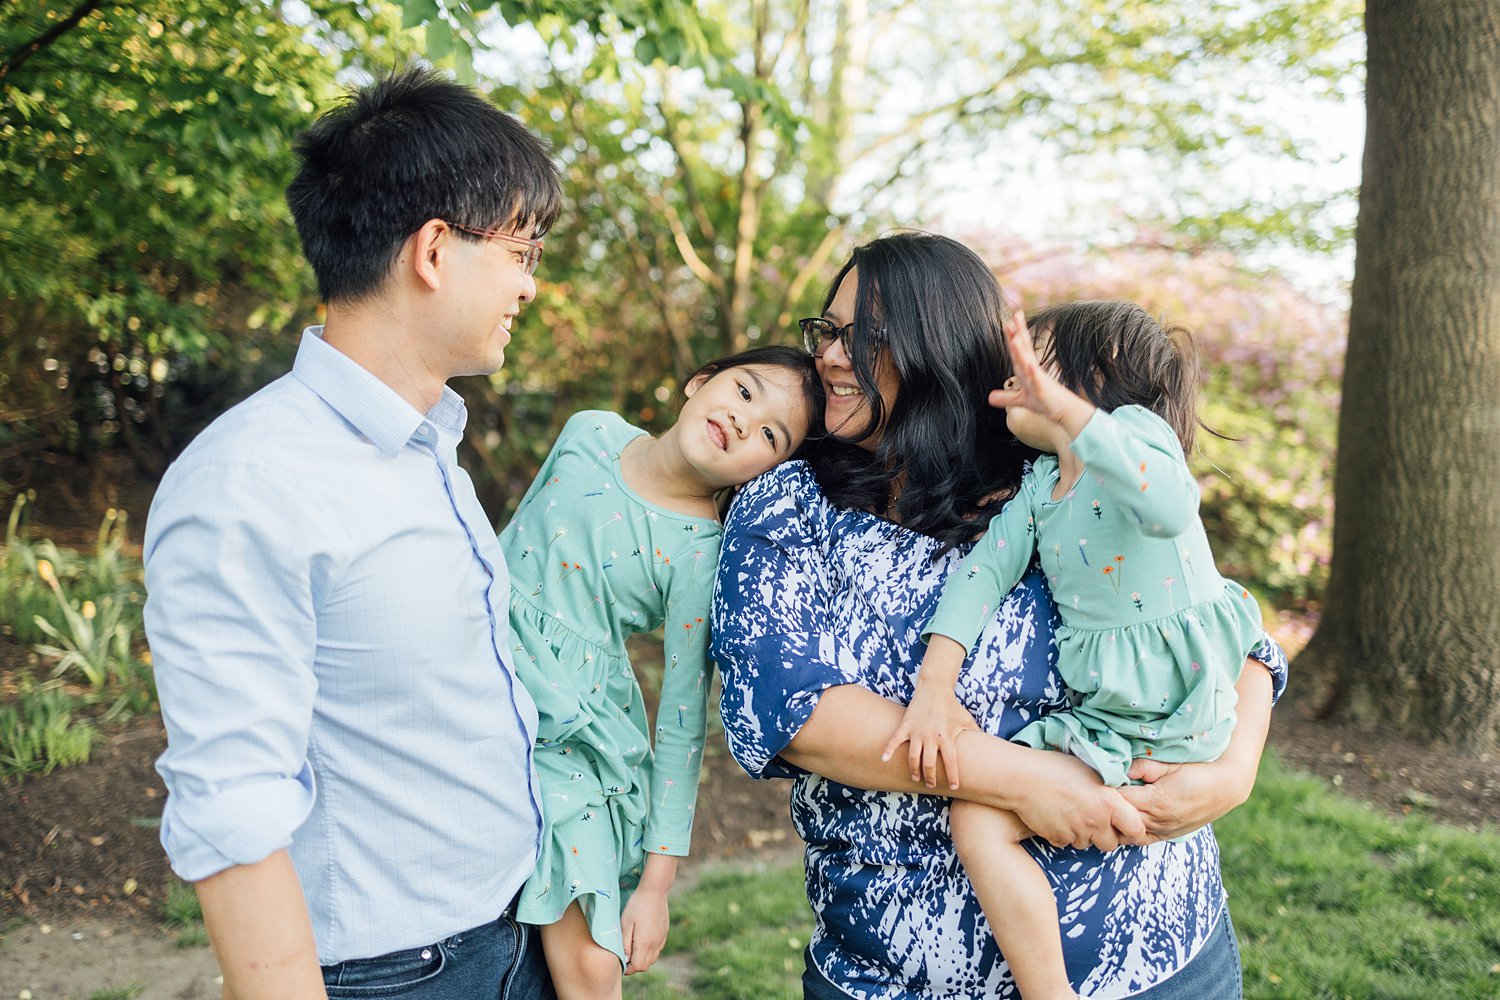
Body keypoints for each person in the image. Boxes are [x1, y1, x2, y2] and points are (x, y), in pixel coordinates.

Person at [710, 231, 1289, 1000]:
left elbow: (1218, 618)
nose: (833, 356)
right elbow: (790, 708)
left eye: (866, 337)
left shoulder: (1052, 469)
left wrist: (1233, 770)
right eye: (831, 331)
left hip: (1166, 954)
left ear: (941, 346)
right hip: (902, 976)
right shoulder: (789, 504)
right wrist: (1031, 783)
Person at [143, 66, 562, 999]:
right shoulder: (252, 482)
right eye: (524, 252)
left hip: (510, 938)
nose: (532, 285)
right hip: (393, 978)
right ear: (435, 250)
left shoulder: (428, 445)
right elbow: (232, 807)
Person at [883, 302, 1263, 1000]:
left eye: (1040, 360)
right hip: (1114, 715)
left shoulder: (1137, 440)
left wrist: (1063, 409)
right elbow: (980, 576)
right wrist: (935, 684)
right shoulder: (1036, 489)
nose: (1014, 377)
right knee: (976, 821)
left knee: (1141, 810)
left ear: (1094, 377)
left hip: (1184, 699)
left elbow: (1171, 506)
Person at [504, 346, 822, 1000]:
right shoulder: (588, 430)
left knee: (593, 966)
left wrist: (656, 886)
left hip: (573, 735)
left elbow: (681, 723)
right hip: (481, 663)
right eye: (743, 391)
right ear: (699, 380)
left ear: (768, 471)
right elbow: (509, 546)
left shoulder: (702, 552)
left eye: (770, 434)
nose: (743, 420)